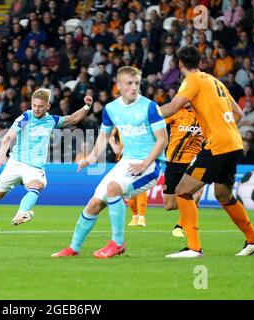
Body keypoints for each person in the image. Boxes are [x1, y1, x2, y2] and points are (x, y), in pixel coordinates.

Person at [160, 46, 254, 258]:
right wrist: (220, 128)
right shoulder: (214, 80)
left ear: (181, 64)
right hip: (233, 142)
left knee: (182, 191)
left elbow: (172, 107)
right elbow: (238, 112)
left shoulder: (191, 80)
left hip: (217, 145)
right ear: (199, 61)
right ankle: (253, 240)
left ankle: (193, 248)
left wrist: (143, 116)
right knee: (223, 194)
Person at [52, 66, 168, 259]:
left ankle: (118, 242)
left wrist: (145, 162)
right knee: (94, 204)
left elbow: (162, 140)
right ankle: (73, 248)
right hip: (127, 162)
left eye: (137, 83)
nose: (134, 87)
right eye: (129, 83)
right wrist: (90, 158)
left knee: (113, 188)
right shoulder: (111, 109)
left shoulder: (150, 107)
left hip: (150, 165)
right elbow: (104, 136)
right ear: (119, 85)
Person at [0, 88, 93, 225]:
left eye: (40, 106)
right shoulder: (26, 117)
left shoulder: (51, 120)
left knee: (37, 185)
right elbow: (9, 136)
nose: (36, 109)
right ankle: (21, 180)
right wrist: (1, 154)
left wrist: (87, 106)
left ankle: (21, 213)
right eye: (34, 105)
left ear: (48, 106)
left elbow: (73, 119)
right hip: (15, 163)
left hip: (34, 167)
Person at [162, 105, 204, 238]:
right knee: (169, 205)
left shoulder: (205, 115)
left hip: (195, 161)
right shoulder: (175, 112)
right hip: (174, 161)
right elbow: (157, 125)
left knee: (195, 195)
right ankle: (189, 211)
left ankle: (180, 226)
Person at [108, 127, 149, 227]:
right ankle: (135, 216)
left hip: (139, 156)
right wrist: (113, 145)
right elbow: (110, 136)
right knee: (127, 187)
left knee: (139, 184)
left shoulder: (141, 119)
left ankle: (142, 217)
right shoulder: (119, 120)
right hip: (123, 158)